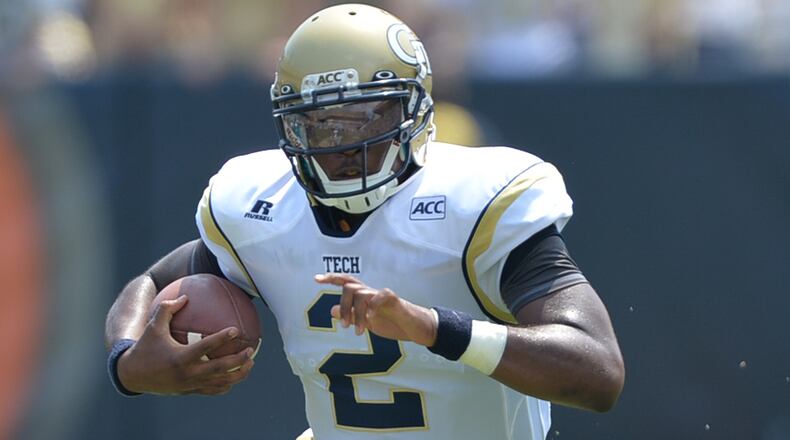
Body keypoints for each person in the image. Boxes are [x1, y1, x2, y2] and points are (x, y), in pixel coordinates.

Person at [105, 4, 625, 439]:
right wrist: (129, 362)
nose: (341, 146)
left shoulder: (474, 203)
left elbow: (597, 371)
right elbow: (152, 283)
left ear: (413, 110)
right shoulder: (256, 206)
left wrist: (434, 328)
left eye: (364, 118)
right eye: (319, 125)